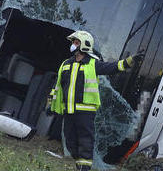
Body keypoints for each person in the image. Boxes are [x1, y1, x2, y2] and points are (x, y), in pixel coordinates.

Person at [49, 30, 143, 171]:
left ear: (84, 45)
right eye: (73, 42)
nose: (73, 45)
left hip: (85, 112)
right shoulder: (66, 64)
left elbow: (113, 67)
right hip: (69, 110)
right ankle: (80, 163)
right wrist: (50, 103)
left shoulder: (93, 64)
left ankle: (84, 168)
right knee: (70, 142)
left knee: (85, 141)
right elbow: (57, 85)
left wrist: (129, 61)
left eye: (76, 42)